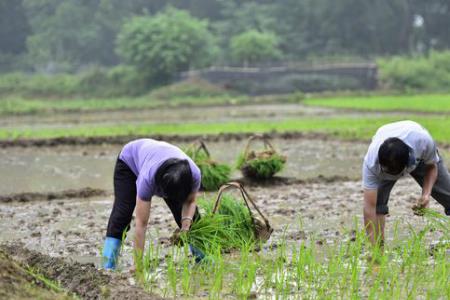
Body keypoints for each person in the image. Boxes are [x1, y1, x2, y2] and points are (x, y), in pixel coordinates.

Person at [102, 138, 203, 269]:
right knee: (122, 214)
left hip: (168, 170)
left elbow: (190, 201)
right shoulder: (147, 179)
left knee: (193, 218)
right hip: (128, 163)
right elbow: (141, 224)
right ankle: (108, 265)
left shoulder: (194, 175)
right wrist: (137, 265)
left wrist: (185, 226)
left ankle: (204, 260)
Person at [362, 120, 450, 246]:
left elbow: (432, 166)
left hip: (419, 157)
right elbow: (369, 209)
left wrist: (426, 194)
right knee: (377, 204)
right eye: (389, 173)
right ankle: (379, 247)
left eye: (396, 172)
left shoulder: (423, 142)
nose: (394, 176)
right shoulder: (371, 164)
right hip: (385, 163)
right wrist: (375, 252)